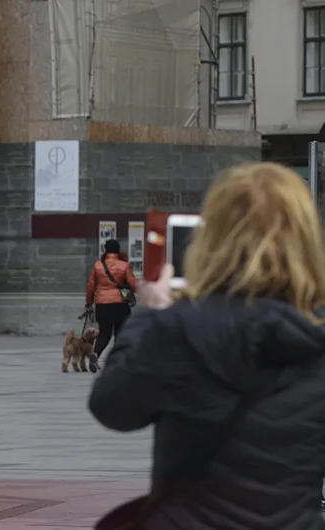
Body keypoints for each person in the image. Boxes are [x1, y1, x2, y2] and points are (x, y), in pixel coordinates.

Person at [88, 162, 325, 530]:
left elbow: (112, 407)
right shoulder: (316, 331)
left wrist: (151, 314)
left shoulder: (178, 328)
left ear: (211, 235)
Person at [85, 239, 137, 370]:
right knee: (121, 333)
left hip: (102, 304)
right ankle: (117, 362)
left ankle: (95, 354)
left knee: (104, 334)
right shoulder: (124, 265)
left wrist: (89, 302)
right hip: (120, 304)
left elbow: (91, 285)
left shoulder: (98, 266)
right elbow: (133, 284)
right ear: (118, 250)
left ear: (106, 251)